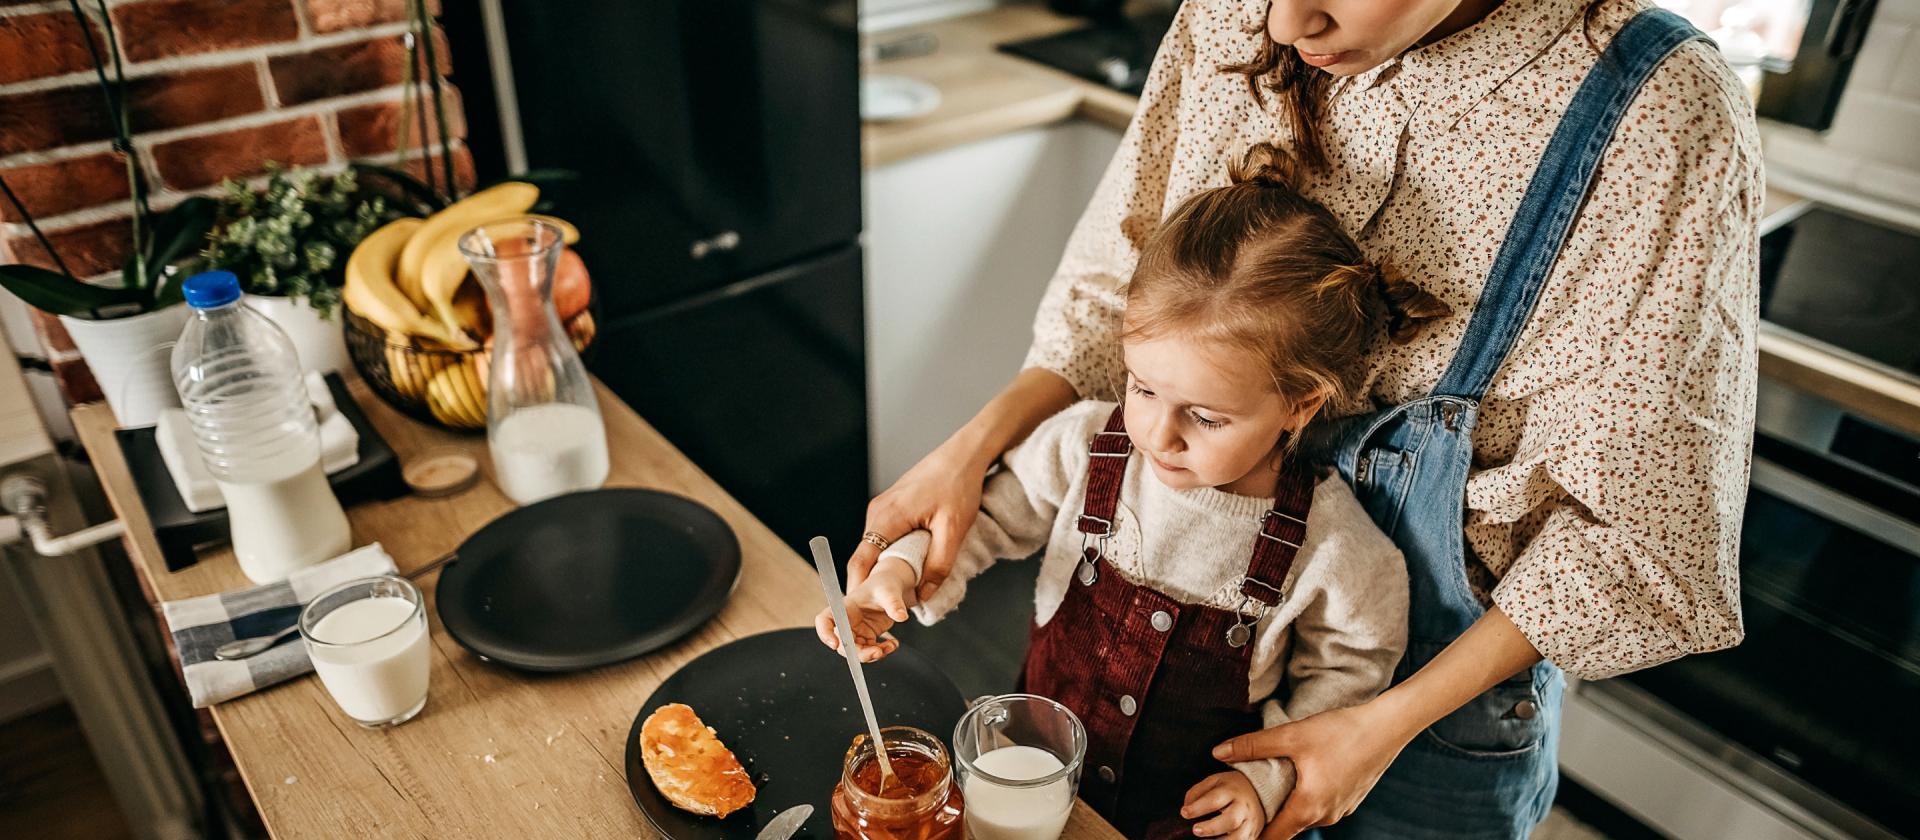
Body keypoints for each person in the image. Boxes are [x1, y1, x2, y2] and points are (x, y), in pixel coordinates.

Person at [849, 0, 1761, 837]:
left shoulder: (1656, 111)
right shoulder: (1099, 444)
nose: (1283, 24)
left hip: (1435, 705)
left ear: (1299, 410)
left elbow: (1641, 542)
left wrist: (1322, 751)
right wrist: (956, 476)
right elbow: (1106, 309)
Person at [819, 143, 1442, 840]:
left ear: (1298, 405)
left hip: (1184, 821)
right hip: (1031, 774)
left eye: (1206, 417)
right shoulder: (1087, 445)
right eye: (1142, 387)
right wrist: (900, 571)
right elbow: (986, 518)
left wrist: (1267, 781)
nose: (1158, 433)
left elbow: (1348, 679)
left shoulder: (1334, 547)